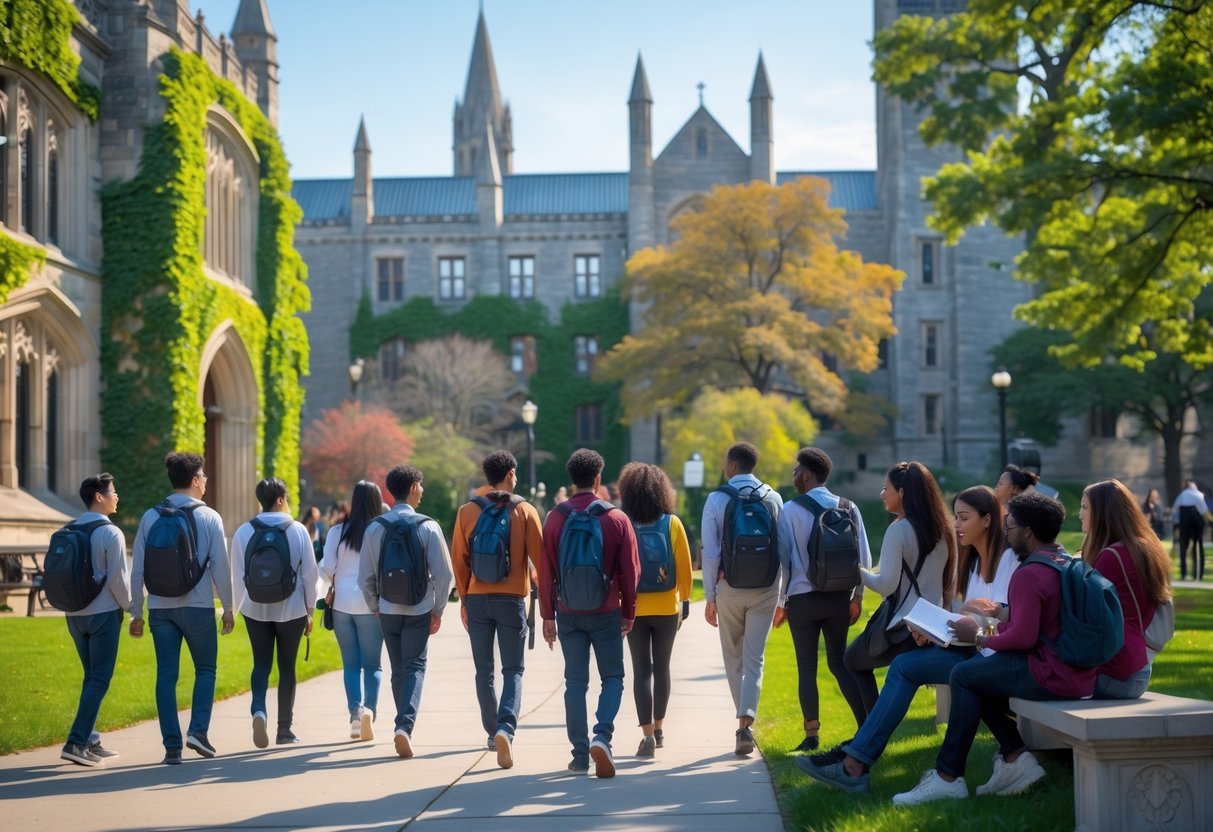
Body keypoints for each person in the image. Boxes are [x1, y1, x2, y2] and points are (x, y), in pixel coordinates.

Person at [796, 485, 1017, 793]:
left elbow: (1003, 619)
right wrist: (934, 628)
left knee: (904, 668)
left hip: (995, 657)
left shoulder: (1008, 561)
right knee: (904, 665)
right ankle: (856, 761)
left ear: (988, 520)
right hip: (978, 651)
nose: (956, 526)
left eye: (964, 518)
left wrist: (971, 629)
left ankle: (859, 763)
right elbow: (965, 611)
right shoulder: (974, 562)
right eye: (955, 517)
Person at [892, 492, 1089, 806]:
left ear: (1027, 532)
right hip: (1072, 668)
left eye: (1010, 527)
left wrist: (980, 638)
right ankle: (1014, 757)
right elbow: (1031, 624)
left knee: (965, 675)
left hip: (1050, 671)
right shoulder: (1061, 560)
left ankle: (948, 776)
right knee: (974, 674)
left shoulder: (1029, 573)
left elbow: (1024, 637)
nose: (1006, 534)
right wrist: (997, 615)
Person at [539, 448, 640, 778]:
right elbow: (630, 571)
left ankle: (580, 755)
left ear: (571, 481)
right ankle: (602, 736)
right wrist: (629, 610)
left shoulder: (555, 518)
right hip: (607, 610)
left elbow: (546, 569)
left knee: (575, 682)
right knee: (613, 677)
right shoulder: (615, 518)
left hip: (568, 612)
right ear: (598, 479)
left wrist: (547, 616)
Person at [129, 451, 234, 765]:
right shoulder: (209, 517)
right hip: (198, 606)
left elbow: (137, 569)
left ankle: (172, 747)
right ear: (194, 479)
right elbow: (221, 568)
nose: (205, 482)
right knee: (205, 669)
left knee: (166, 676)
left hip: (160, 608)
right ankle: (198, 731)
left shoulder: (150, 517)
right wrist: (228, 607)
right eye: (203, 477)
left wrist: (137, 612)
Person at [773, 447, 872, 752]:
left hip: (802, 599)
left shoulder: (790, 510)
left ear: (806, 474)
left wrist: (781, 602)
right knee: (839, 663)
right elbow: (864, 556)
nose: (794, 477)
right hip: (839, 597)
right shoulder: (848, 506)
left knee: (806, 667)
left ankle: (812, 735)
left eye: (795, 472)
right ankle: (865, 728)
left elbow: (784, 563)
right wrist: (857, 596)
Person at [842, 461, 955, 724]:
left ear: (902, 492)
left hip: (903, 625)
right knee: (899, 679)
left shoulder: (899, 529)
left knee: (851, 661)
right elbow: (947, 583)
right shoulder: (944, 529)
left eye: (886, 488)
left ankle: (868, 731)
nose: (882, 494)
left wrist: (859, 572)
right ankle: (871, 731)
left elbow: (885, 585)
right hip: (932, 625)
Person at [452, 450, 544, 769]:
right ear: (511, 474)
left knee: (484, 669)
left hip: (477, 598)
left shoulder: (467, 511)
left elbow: (459, 561)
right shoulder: (524, 510)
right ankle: (507, 727)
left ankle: (493, 733)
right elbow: (541, 561)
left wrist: (464, 599)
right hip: (512, 598)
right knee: (513, 669)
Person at [359, 464, 454, 758]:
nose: (422, 491)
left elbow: (365, 577)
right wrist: (437, 609)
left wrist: (376, 606)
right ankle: (404, 726)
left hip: (387, 608)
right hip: (419, 607)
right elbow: (444, 575)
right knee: (415, 666)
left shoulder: (375, 528)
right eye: (421, 486)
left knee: (398, 668)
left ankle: (402, 723)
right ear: (413, 487)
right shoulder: (428, 526)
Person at [701, 441, 784, 756]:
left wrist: (710, 596)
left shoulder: (717, 499)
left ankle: (743, 725)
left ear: (732, 465)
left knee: (733, 659)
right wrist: (783, 599)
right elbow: (785, 550)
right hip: (766, 589)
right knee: (755, 659)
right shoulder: (774, 498)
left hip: (730, 588)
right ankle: (745, 725)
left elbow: (711, 553)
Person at [230, 478, 318, 747]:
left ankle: (258, 710)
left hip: (255, 608)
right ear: (280, 500)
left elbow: (237, 575)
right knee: (287, 668)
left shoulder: (244, 531)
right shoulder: (298, 531)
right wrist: (310, 610)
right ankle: (284, 730)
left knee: (261, 664)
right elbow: (309, 575)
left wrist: (234, 610)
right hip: (291, 609)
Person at [616, 462, 693, 757]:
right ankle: (659, 729)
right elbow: (685, 568)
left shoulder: (623, 521)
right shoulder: (671, 523)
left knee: (641, 671)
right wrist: (684, 601)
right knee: (662, 668)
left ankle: (646, 734)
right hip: (666, 606)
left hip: (633, 607)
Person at [59, 474, 131, 767]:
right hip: (102, 615)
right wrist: (132, 609)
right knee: (99, 679)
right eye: (113, 492)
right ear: (99, 497)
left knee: (91, 679)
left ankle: (89, 737)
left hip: (73, 615)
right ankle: (76, 742)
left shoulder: (68, 529)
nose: (117, 497)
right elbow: (117, 579)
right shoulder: (110, 533)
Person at [1081, 479, 1173, 699]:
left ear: (1102, 513)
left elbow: (1088, 618)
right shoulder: (1143, 547)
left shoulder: (1110, 558)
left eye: (1085, 507)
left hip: (1115, 673)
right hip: (1137, 669)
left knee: (1029, 681)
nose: (1079, 514)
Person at [320, 480, 386, 741]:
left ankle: (355, 715)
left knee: (350, 664)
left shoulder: (338, 531)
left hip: (342, 604)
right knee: (373, 665)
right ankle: (370, 709)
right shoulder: (380, 530)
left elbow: (326, 567)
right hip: (371, 604)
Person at [1171, 481, 1207, 581]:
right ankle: (1198, 574)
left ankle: (1184, 573)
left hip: (1184, 525)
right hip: (1196, 526)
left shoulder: (1181, 496)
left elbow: (1175, 510)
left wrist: (1176, 523)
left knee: (1183, 549)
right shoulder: (1198, 494)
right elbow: (1203, 510)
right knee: (1198, 549)